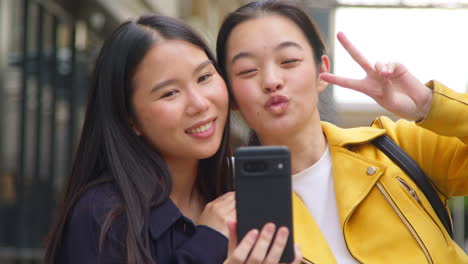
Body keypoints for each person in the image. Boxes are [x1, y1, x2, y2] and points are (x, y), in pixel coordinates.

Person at [216, 1, 468, 263]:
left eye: (289, 61)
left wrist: (428, 105)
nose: (271, 80)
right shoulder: (221, 208)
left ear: (322, 71)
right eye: (247, 71)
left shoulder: (399, 148)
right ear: (230, 94)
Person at [43, 14, 301, 264]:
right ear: (129, 118)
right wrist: (207, 243)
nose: (199, 104)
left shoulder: (237, 193)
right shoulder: (103, 216)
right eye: (170, 93)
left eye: (204, 77)